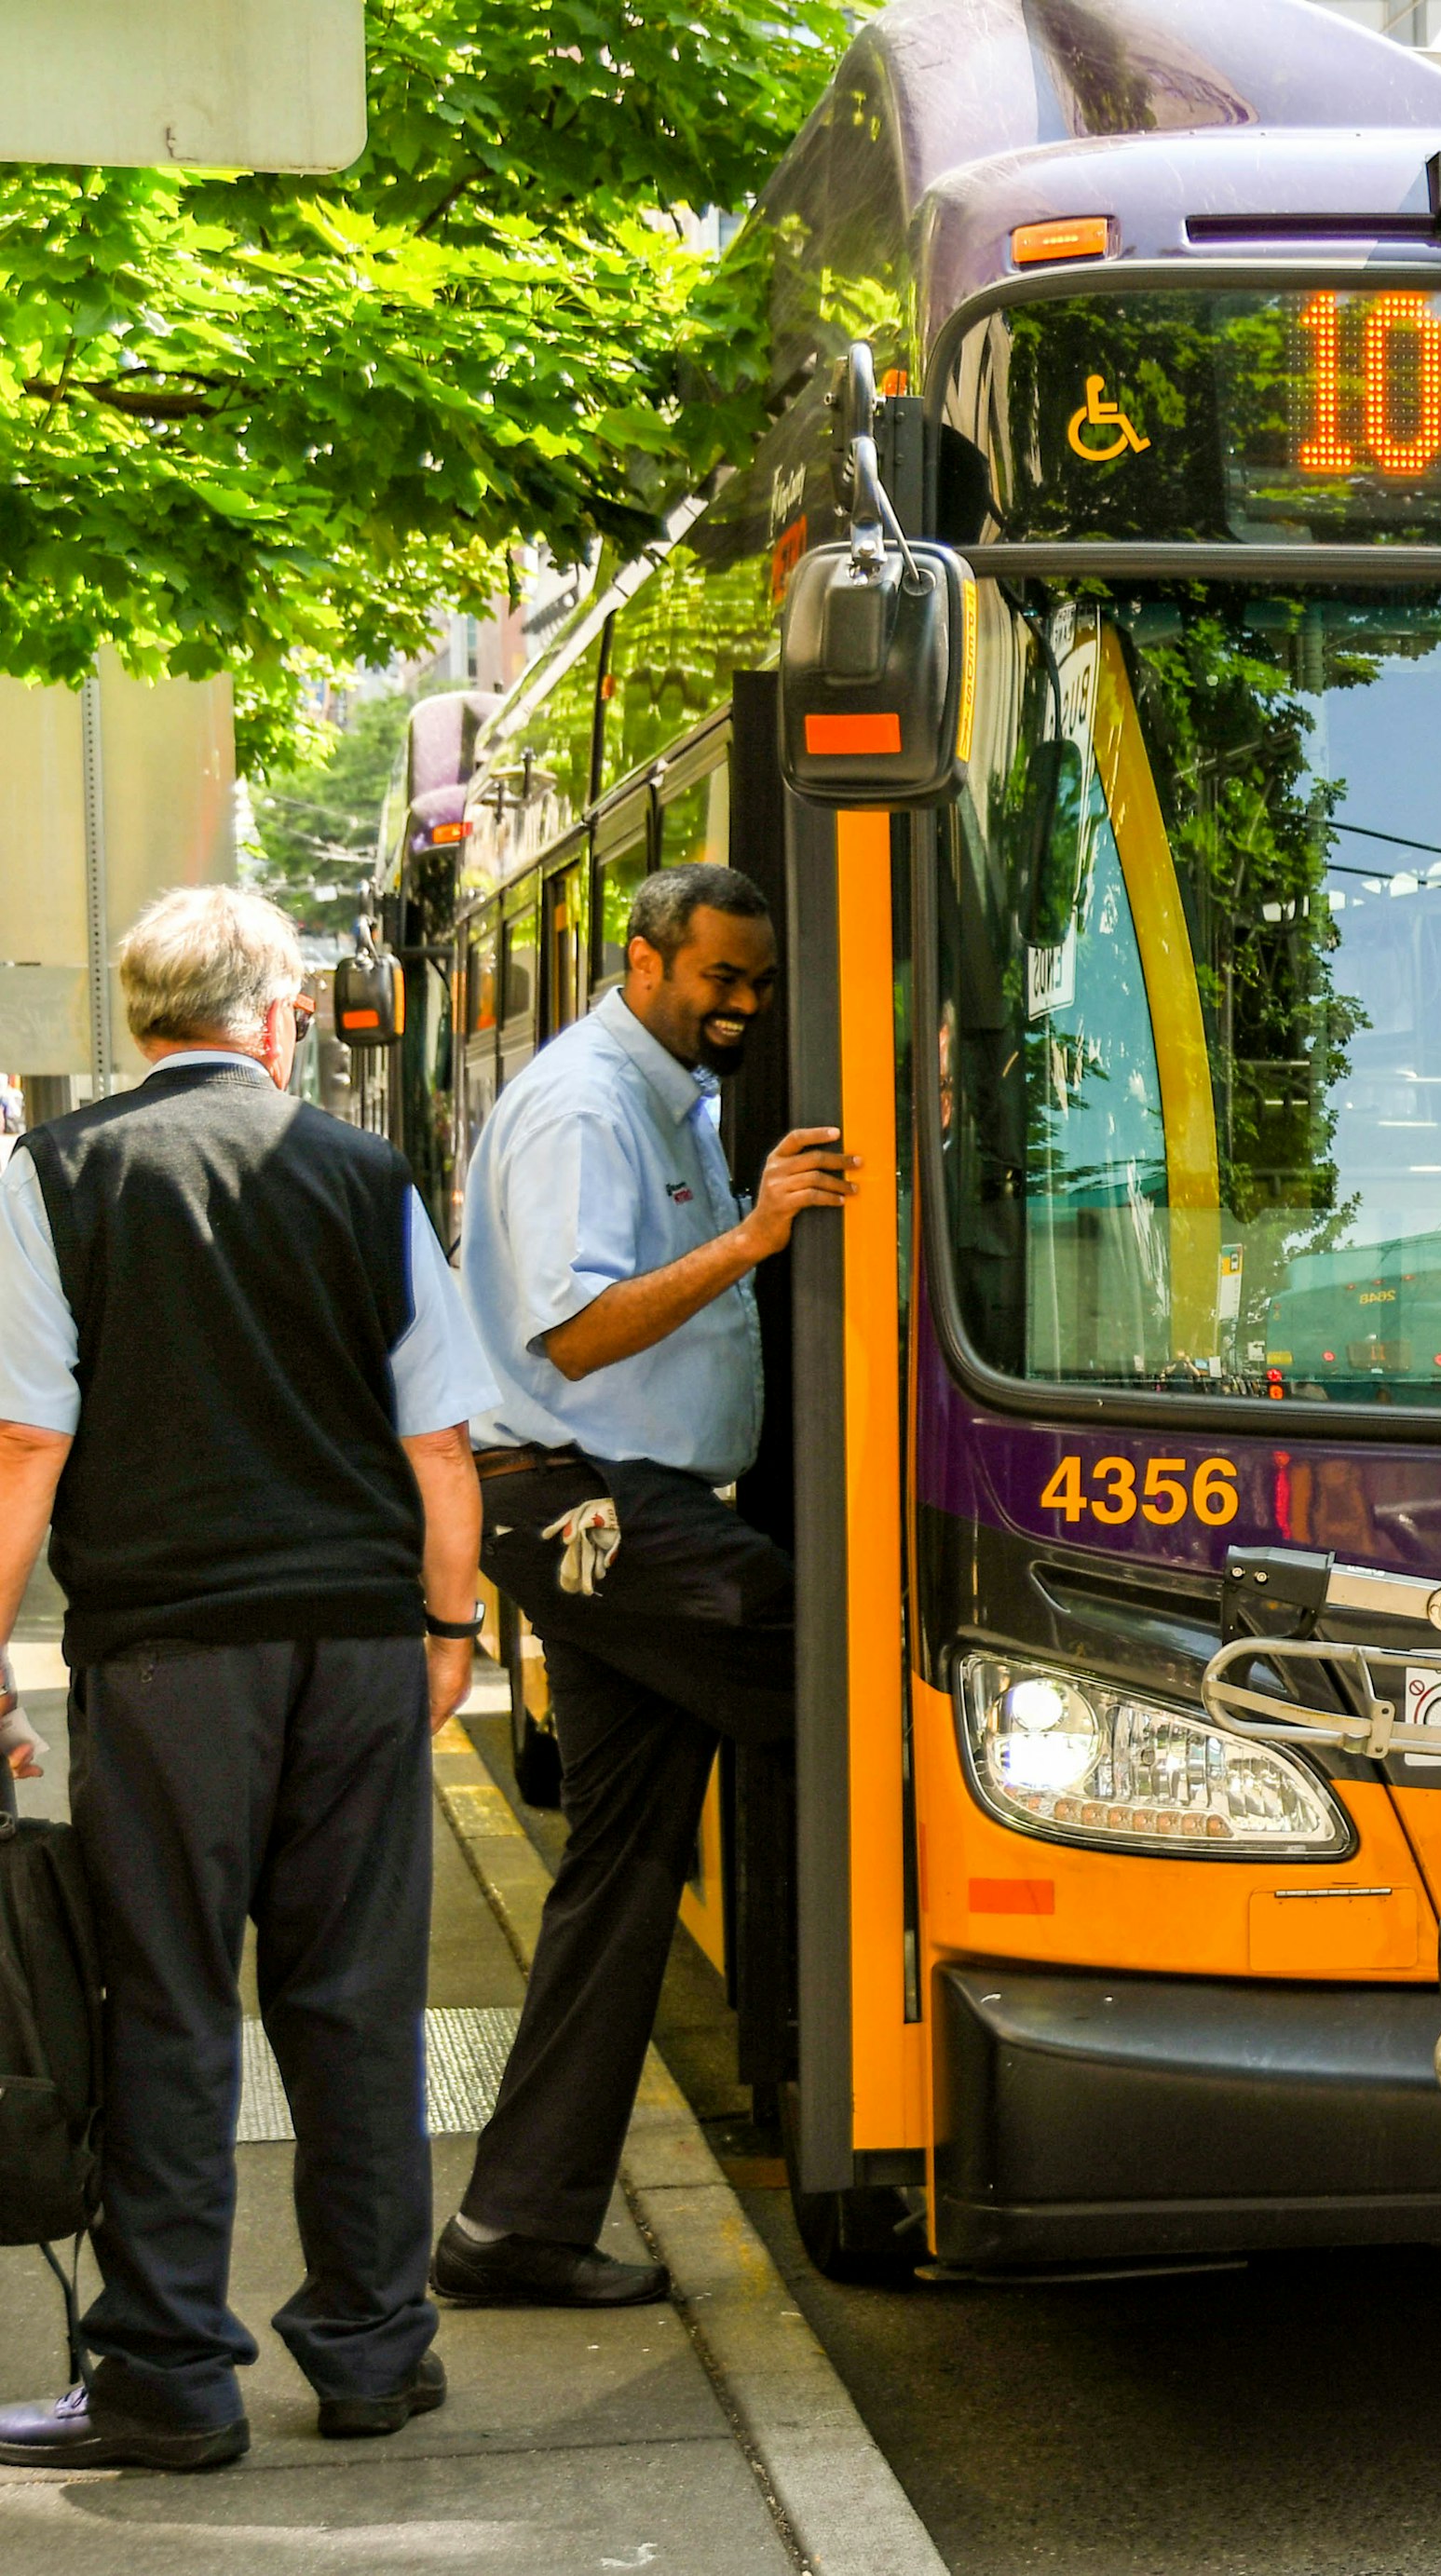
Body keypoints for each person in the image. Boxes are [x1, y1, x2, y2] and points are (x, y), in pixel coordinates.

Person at [0, 887, 496, 2471]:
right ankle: (370, 2350)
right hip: (355, 1650)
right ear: (276, 1013)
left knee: (165, 2003)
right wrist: (448, 1631)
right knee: (356, 2003)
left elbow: (25, 1443)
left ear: (140, 1017)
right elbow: (438, 1443)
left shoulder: (55, 1176)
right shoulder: (363, 1174)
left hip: (165, 1663)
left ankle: (168, 2376)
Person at [434, 863, 851, 2309]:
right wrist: (750, 1239)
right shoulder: (582, 1102)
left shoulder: (671, 1087)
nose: (739, 1003)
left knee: (620, 1869)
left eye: (756, 980)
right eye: (716, 977)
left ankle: (512, 2225)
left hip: (618, 1503)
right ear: (646, 956)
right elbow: (572, 1337)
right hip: (595, 1500)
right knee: (863, 1693)